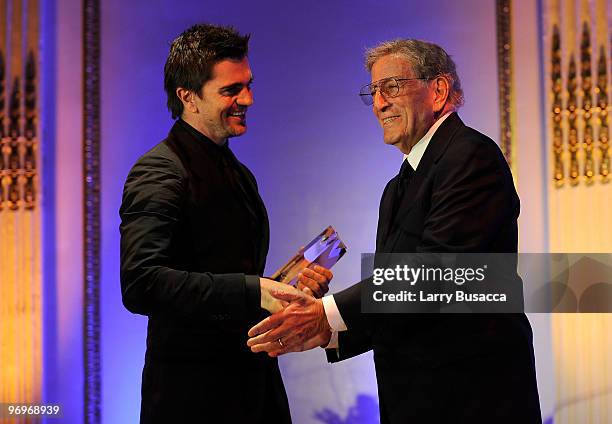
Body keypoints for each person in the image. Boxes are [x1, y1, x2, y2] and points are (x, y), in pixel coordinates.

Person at [247, 39, 542, 423]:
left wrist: (329, 313)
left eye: (392, 87)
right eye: (373, 91)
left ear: (438, 90)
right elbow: (400, 299)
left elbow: (435, 272)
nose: (379, 103)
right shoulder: (396, 187)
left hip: (472, 400)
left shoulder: (470, 156)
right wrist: (328, 332)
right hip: (417, 402)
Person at [119, 23, 332, 424]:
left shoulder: (237, 171)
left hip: (252, 388)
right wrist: (254, 291)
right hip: (193, 398)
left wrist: (286, 288)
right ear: (188, 97)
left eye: (247, 85)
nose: (247, 99)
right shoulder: (159, 170)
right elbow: (141, 284)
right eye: (231, 90)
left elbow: (228, 278)